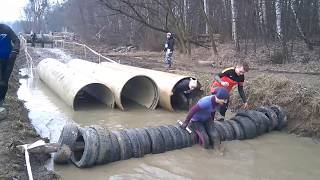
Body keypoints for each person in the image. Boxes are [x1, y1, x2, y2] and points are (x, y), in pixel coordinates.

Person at [0, 24, 20, 107]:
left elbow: (16, 40)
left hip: (9, 60)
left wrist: (15, 51)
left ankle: (2, 100)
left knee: (4, 81)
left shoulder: (6, 29)